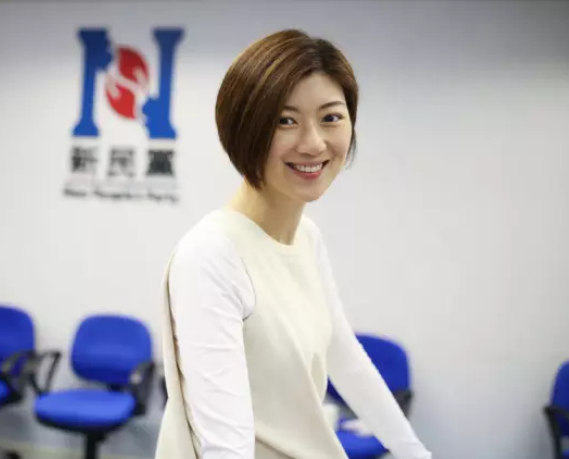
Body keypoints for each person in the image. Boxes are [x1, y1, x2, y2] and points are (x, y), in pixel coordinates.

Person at [155, 29, 432, 459]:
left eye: (331, 117)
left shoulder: (307, 238)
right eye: (286, 120)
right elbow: (225, 448)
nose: (314, 143)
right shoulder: (211, 256)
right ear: (244, 129)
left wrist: (415, 452)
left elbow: (343, 355)